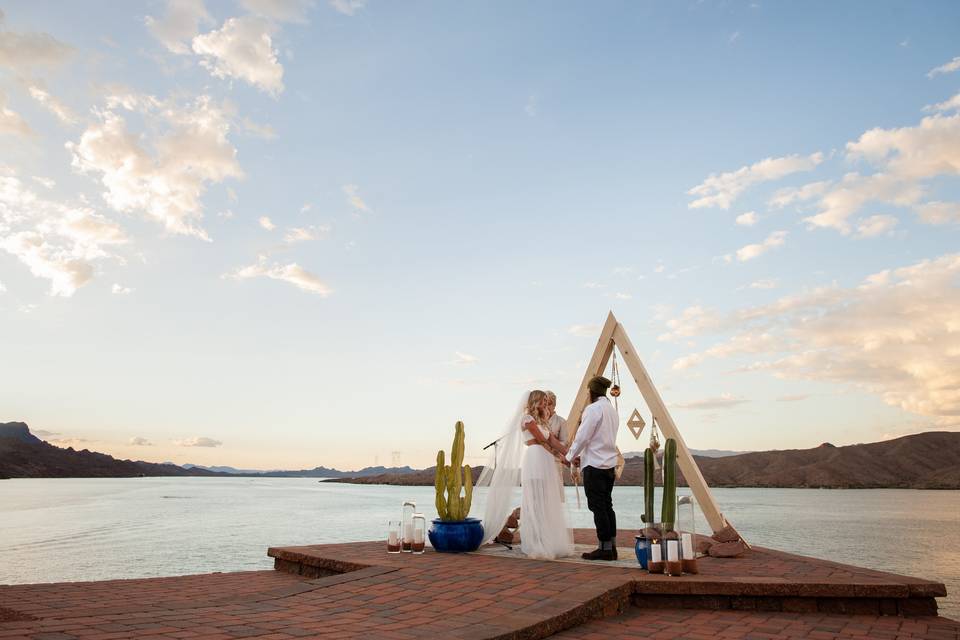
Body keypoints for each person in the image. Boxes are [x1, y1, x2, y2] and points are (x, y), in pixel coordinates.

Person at [476, 390, 574, 560]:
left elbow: (554, 441)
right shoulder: (527, 419)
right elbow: (542, 440)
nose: (546, 404)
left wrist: (570, 456)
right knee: (535, 500)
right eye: (543, 401)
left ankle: (547, 539)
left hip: (546, 460)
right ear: (535, 401)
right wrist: (560, 456)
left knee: (545, 500)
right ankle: (536, 542)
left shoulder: (542, 422)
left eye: (547, 401)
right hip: (535, 458)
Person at [565, 376, 620, 561]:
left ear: (591, 391)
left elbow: (583, 437)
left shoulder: (593, 409)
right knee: (607, 505)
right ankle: (611, 547)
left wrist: (569, 456)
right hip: (609, 465)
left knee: (598, 507)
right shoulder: (612, 410)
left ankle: (604, 549)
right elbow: (600, 439)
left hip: (595, 467)